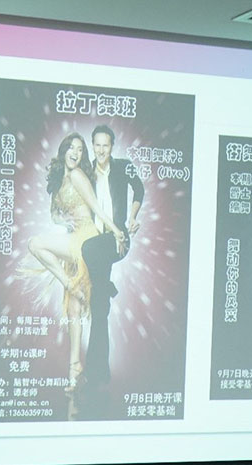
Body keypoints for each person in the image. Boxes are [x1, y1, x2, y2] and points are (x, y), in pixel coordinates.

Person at [25, 132, 125, 418]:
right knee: (73, 310)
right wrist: (62, 219)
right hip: (73, 240)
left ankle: (69, 283)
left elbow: (96, 208)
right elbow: (54, 214)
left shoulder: (79, 175)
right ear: (63, 150)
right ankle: (74, 372)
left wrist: (116, 231)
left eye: (80, 150)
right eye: (71, 147)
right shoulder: (60, 179)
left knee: (35, 244)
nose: (75, 153)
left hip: (85, 241)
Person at [80, 125, 145, 395]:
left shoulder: (124, 167)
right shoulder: (86, 172)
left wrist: (132, 218)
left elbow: (139, 189)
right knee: (99, 309)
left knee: (88, 249)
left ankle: (105, 288)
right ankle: (98, 371)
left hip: (117, 239)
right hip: (98, 241)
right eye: (96, 145)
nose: (101, 150)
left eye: (105, 145)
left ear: (112, 146)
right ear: (92, 145)